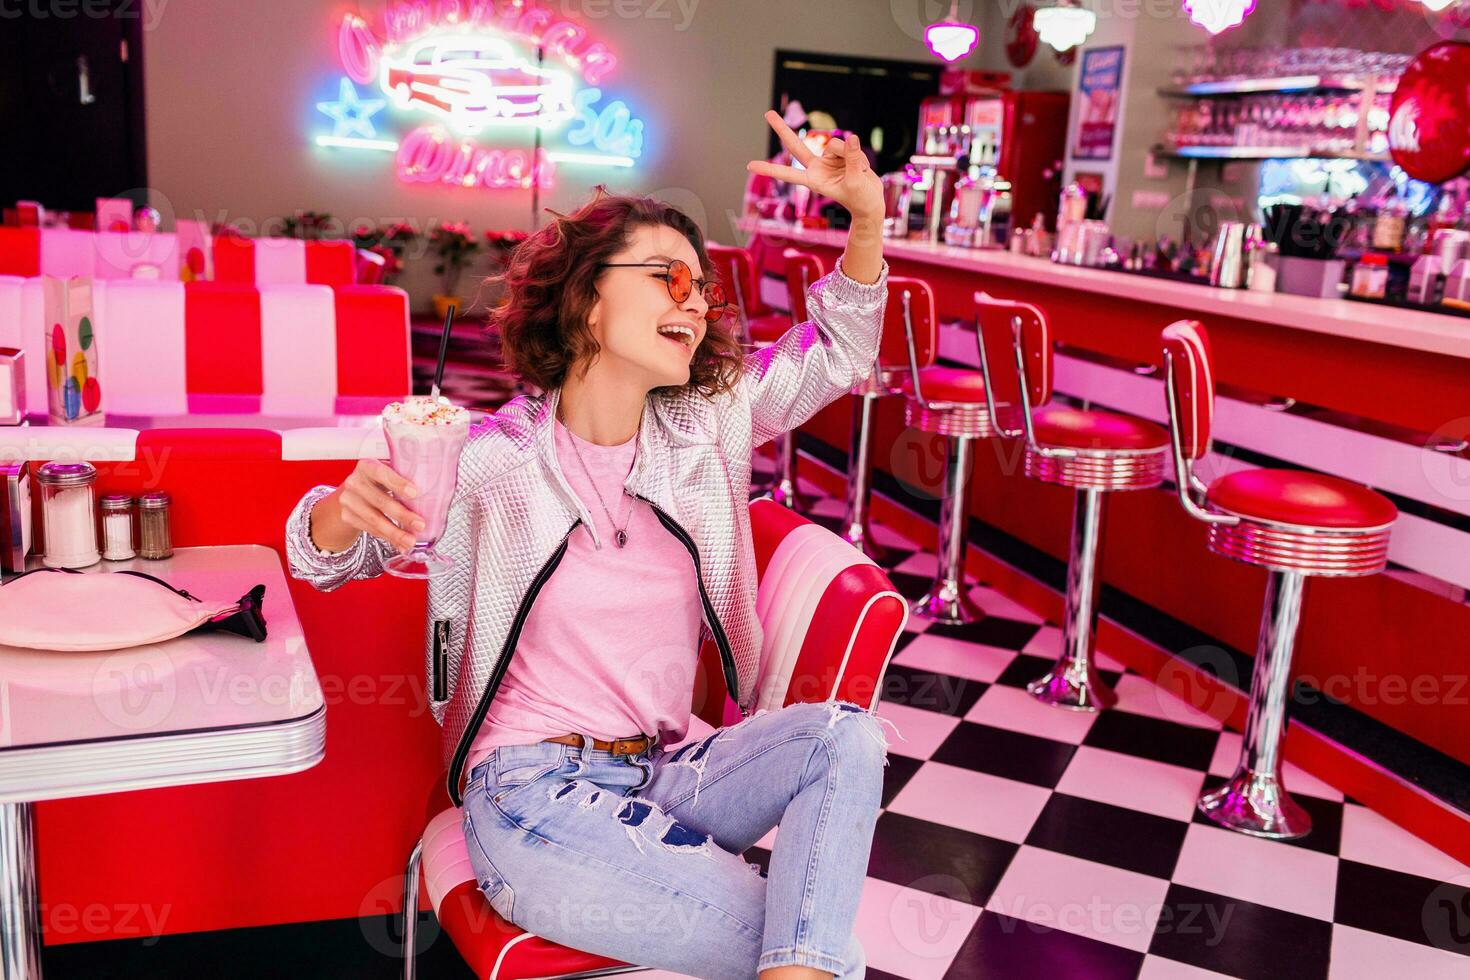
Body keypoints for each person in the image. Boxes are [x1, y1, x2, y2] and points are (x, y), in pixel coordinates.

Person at [284, 109, 891, 980]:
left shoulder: (708, 427)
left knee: (848, 740)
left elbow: (837, 350)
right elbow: (321, 558)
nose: (695, 299)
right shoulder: (489, 461)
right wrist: (344, 510)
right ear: (586, 298)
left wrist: (865, 220)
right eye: (665, 278)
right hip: (531, 795)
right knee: (814, 947)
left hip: (674, 768)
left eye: (701, 286)